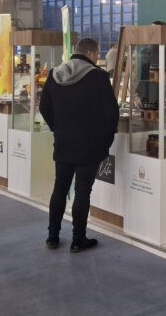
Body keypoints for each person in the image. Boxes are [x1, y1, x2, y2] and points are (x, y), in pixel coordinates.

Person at [40, 37, 119, 252]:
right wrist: (105, 139)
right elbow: (111, 113)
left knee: (59, 189)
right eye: (97, 54)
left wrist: (57, 128)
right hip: (89, 145)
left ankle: (52, 236)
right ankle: (78, 240)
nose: (98, 57)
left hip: (63, 142)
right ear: (91, 54)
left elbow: (44, 107)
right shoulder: (98, 77)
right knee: (83, 192)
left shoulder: (54, 74)